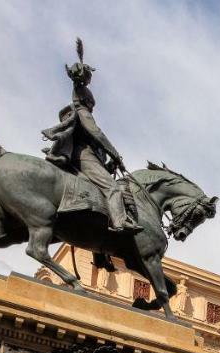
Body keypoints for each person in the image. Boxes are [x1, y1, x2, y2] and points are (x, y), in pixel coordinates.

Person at [41, 40, 139, 233]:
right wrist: (116, 153)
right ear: (87, 101)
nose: (93, 105)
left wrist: (111, 164)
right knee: (113, 188)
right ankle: (119, 222)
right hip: (84, 156)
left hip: (87, 157)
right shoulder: (83, 113)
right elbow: (97, 134)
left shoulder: (82, 110)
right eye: (91, 102)